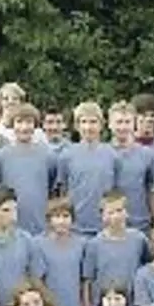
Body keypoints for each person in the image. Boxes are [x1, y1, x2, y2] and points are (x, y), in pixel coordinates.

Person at [54, 101, 118, 235]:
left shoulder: (112, 154)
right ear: (77, 126)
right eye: (84, 122)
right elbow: (63, 192)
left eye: (93, 122)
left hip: (105, 227)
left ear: (101, 125)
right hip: (75, 228)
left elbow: (116, 192)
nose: (88, 127)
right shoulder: (66, 155)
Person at [0, 103, 53, 234]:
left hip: (40, 224)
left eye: (29, 122)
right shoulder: (0, 157)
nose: (24, 127)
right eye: (19, 122)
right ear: (12, 125)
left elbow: (52, 187)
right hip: (10, 225)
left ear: (35, 125)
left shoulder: (48, 155)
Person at [37, 198, 88, 306]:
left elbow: (85, 280)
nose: (61, 221)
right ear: (49, 219)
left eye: (66, 216)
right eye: (57, 216)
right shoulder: (39, 244)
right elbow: (38, 279)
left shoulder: (82, 244)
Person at [84, 191, 149, 306]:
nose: (116, 216)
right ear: (103, 216)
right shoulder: (94, 244)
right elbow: (88, 280)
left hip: (132, 304)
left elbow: (148, 267)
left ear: (127, 212)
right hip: (104, 304)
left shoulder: (139, 239)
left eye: (119, 210)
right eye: (110, 212)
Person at [108, 100, 154, 232]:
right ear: (109, 124)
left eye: (127, 122)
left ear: (134, 123)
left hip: (140, 224)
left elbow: (152, 190)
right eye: (119, 122)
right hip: (109, 225)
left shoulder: (147, 154)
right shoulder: (102, 153)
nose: (123, 127)